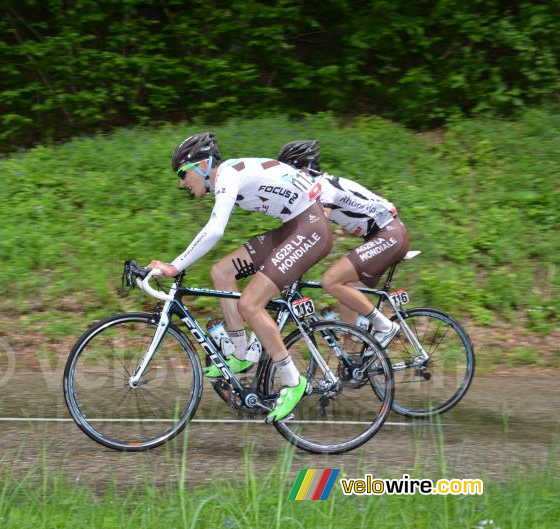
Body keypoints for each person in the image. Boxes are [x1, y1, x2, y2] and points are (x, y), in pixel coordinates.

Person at [147, 132, 332, 422]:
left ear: (203, 165)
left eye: (183, 173)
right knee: (221, 272)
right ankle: (241, 352)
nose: (182, 182)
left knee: (250, 304)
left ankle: (293, 381)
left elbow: (215, 230)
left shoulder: (227, 175)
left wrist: (175, 265)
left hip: (310, 228)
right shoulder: (229, 173)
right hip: (293, 226)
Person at [277, 140, 409, 347]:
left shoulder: (323, 188)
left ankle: (384, 326)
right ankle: (351, 364)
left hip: (389, 234)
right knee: (345, 295)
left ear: (302, 169)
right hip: (382, 236)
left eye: (288, 172)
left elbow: (317, 230)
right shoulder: (316, 189)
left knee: (331, 281)